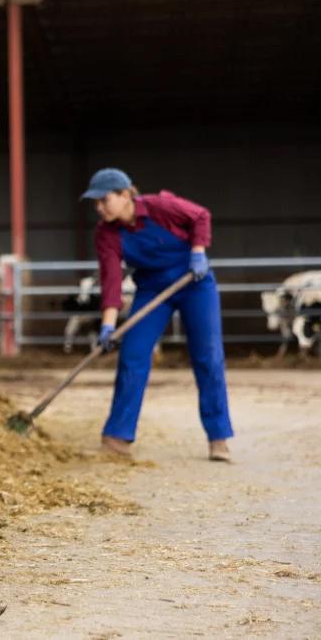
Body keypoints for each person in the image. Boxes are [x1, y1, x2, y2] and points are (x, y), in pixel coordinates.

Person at [83, 168, 234, 462]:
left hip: (194, 282)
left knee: (208, 355)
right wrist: (108, 326)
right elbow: (111, 280)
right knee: (133, 354)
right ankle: (118, 437)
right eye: (96, 203)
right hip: (152, 289)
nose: (99, 207)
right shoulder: (106, 233)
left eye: (104, 200)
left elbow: (200, 215)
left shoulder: (158, 206)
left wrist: (199, 251)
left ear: (126, 194)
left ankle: (218, 437)